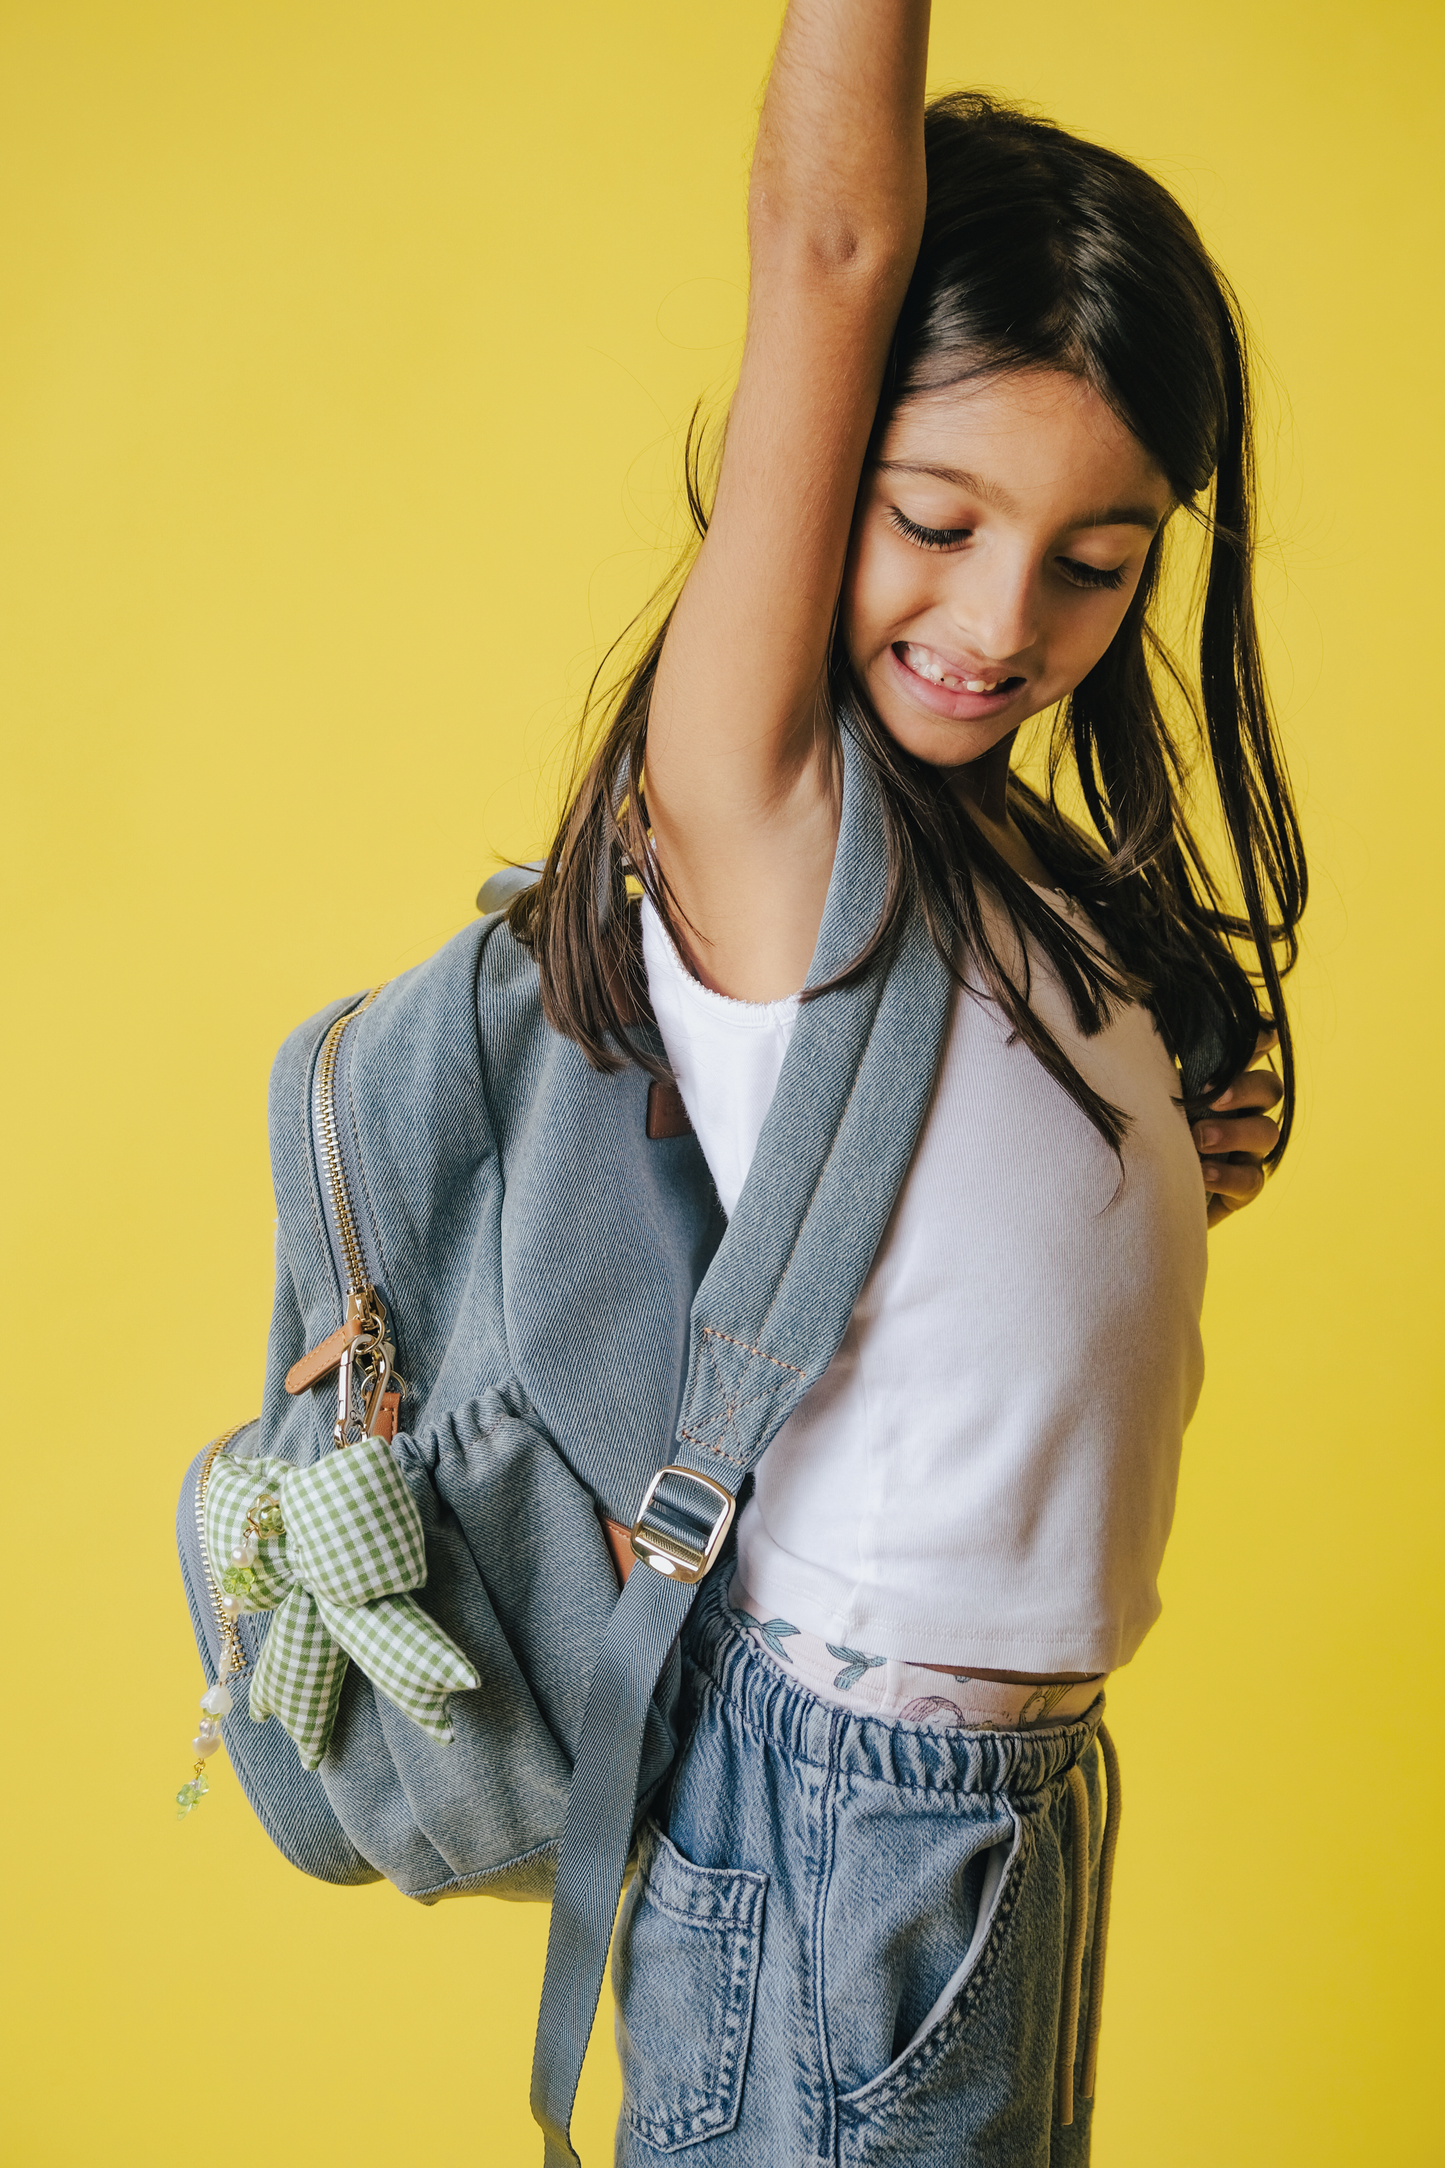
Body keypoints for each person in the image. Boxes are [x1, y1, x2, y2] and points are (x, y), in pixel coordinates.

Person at [510, 1, 1305, 2160]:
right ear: (824, 459)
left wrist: (1164, 1176)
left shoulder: (1010, 877)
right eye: (932, 517)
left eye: (1094, 563)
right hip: (854, 1811)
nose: (1000, 618)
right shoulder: (764, 806)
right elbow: (831, 240)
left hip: (995, 1795)